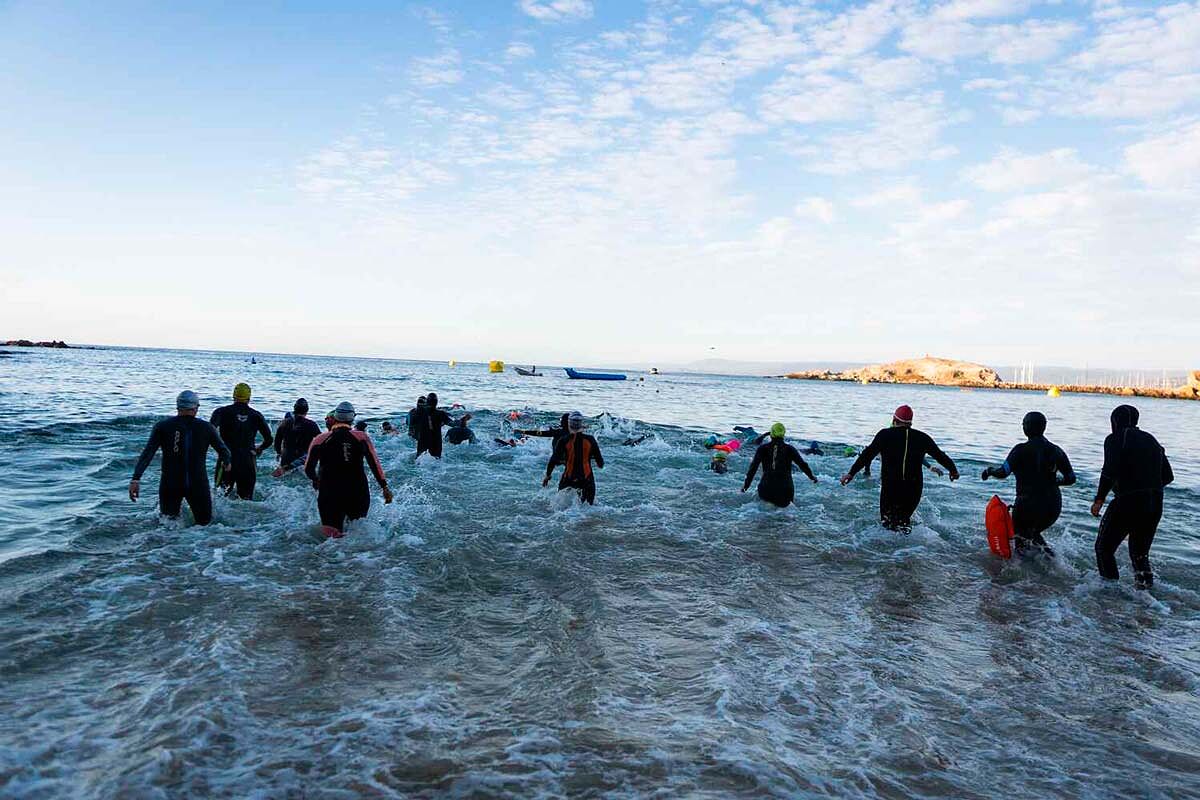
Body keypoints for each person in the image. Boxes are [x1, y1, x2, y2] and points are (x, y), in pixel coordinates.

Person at [1091, 405, 1174, 589]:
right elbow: (1168, 476)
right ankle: (1145, 596)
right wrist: (1146, 489)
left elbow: (1109, 471)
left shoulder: (1115, 439)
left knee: (1104, 549)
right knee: (1140, 554)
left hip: (1127, 501)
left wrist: (1099, 500)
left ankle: (1110, 592)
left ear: (1114, 421)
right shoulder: (1152, 440)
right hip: (1154, 503)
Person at [840, 405, 959, 531]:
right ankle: (912, 549)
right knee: (904, 522)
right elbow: (940, 456)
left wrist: (851, 473)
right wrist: (953, 470)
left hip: (891, 486)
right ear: (910, 422)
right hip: (913, 488)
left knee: (887, 523)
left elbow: (867, 454)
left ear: (894, 420)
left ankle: (887, 549)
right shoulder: (923, 437)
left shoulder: (885, 435)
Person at [129, 391, 231, 525]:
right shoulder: (206, 428)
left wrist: (136, 479)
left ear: (178, 407)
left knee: (168, 526)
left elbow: (148, 454)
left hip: (170, 484)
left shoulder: (162, 426)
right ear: (196, 408)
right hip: (198, 484)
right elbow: (224, 452)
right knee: (205, 526)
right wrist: (227, 463)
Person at [982, 412, 1076, 556]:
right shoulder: (1056, 451)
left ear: (1027, 427)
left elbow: (1003, 472)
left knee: (1021, 539)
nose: (1023, 426)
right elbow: (1071, 478)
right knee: (1033, 532)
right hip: (1053, 506)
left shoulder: (1020, 450)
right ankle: (1053, 562)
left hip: (1028, 503)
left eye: (1024, 423)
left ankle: (1029, 572)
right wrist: (1054, 481)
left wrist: (990, 471)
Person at [304, 401, 393, 536]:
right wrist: (384, 487)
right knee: (357, 533)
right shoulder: (362, 437)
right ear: (352, 419)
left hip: (329, 492)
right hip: (357, 491)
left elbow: (308, 469)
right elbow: (375, 464)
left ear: (334, 418)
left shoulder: (319, 439)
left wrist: (316, 481)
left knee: (332, 537)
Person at [209, 383, 273, 499]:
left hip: (227, 460)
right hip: (247, 461)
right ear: (249, 398)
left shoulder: (221, 412)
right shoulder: (256, 415)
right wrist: (259, 449)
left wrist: (219, 449)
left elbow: (210, 432)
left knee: (220, 498)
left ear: (233, 396)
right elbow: (269, 439)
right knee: (246, 500)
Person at [742, 423, 817, 507]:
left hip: (766, 490)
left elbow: (753, 468)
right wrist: (812, 477)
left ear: (771, 434)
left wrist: (746, 486)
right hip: (786, 492)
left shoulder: (762, 448)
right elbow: (803, 465)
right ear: (783, 434)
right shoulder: (790, 449)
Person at [543, 411, 604, 504]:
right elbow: (600, 464)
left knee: (559, 506)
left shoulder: (563, 440)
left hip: (568, 478)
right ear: (581, 424)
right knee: (588, 508)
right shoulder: (590, 440)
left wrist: (548, 476)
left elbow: (553, 461)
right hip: (587, 479)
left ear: (569, 425)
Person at [273, 398, 320, 477]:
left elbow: (277, 442)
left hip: (285, 459)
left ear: (294, 409)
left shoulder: (284, 423)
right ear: (307, 411)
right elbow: (321, 440)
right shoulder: (311, 425)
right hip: (302, 461)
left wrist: (279, 453)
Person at [412, 392, 463, 459]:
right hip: (435, 442)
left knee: (419, 461)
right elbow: (452, 424)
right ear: (436, 402)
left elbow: (413, 424)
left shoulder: (419, 412)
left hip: (423, 441)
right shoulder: (440, 413)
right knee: (436, 461)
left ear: (427, 402)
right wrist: (462, 420)